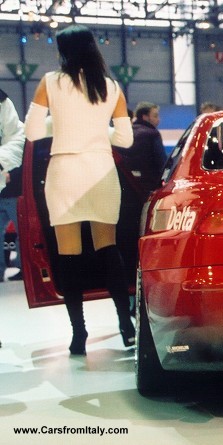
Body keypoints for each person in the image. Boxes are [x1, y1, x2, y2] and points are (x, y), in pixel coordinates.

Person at [24, 24, 134, 356]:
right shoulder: (112, 87)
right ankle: (126, 327)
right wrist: (99, 132)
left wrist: (61, 125)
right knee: (108, 250)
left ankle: (78, 335)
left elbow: (30, 132)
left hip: (65, 172)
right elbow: (126, 139)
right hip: (100, 170)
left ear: (64, 52)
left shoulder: (50, 82)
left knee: (68, 256)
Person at [114, 101, 167, 284]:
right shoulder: (152, 135)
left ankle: (128, 283)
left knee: (127, 243)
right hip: (146, 196)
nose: (158, 120)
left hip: (124, 197)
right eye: (155, 116)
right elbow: (162, 165)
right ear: (145, 116)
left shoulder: (124, 134)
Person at [0, 89, 25, 283]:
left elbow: (17, 148)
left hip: (13, 195)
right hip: (10, 194)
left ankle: (24, 270)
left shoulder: (18, 134)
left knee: (21, 236)